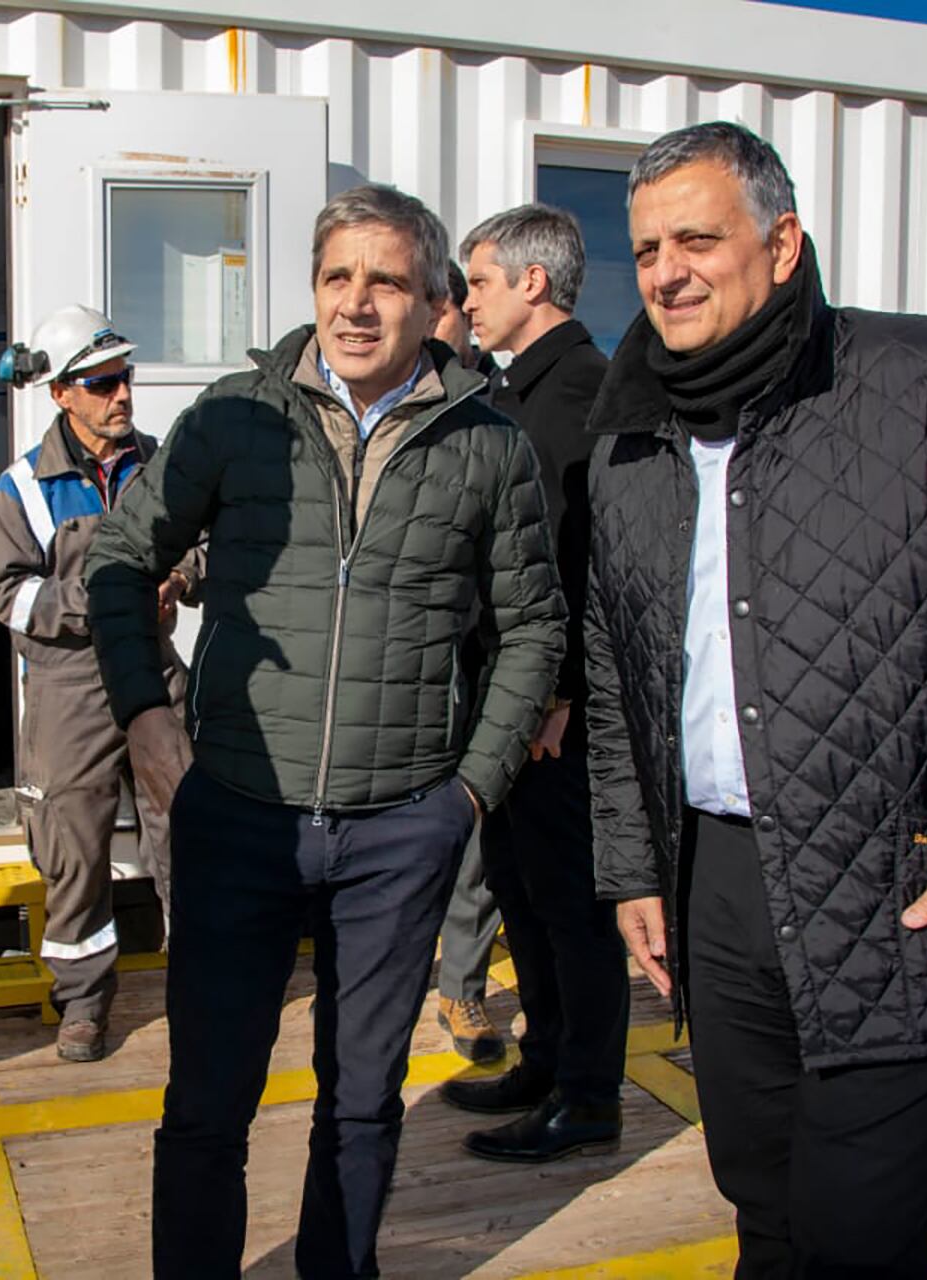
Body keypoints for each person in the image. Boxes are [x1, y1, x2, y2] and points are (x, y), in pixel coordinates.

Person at [583, 121, 927, 1276]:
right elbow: (615, 661)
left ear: (783, 245)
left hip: (906, 883)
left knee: (856, 1237)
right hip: (716, 885)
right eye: (644, 249)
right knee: (765, 1203)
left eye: (697, 237)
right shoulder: (632, 435)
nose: (668, 270)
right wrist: (634, 861)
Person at [85, 184, 566, 1279]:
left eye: (387, 280)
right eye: (337, 276)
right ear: (312, 287)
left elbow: (535, 630)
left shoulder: (486, 446)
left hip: (399, 831)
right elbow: (117, 557)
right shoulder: (234, 417)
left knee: (358, 1103)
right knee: (208, 1100)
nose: (358, 303)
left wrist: (470, 791)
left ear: (435, 300)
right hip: (238, 817)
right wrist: (146, 717)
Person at [438, 203, 631, 1163]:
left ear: (532, 282)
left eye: (475, 281)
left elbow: (597, 567)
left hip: (560, 718)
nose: (463, 300)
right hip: (506, 706)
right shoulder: (514, 396)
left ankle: (591, 1097)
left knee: (573, 909)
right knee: (520, 891)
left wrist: (562, 696)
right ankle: (548, 1060)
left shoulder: (589, 397)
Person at [0, 304, 198, 1062]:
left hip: (153, 666)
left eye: (126, 378)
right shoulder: (22, 487)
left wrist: (179, 573)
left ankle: (199, 980)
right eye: (103, 383)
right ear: (61, 394)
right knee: (73, 841)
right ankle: (82, 1000)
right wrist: (100, 601)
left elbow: (202, 542)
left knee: (190, 822)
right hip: (68, 681)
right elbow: (7, 596)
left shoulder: (162, 462)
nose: (123, 396)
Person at [429, 256, 506, 1064]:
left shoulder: (497, 406)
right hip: (414, 660)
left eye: (446, 305)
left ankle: (462, 992)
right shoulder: (401, 402)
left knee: (475, 837)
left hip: (483, 659)